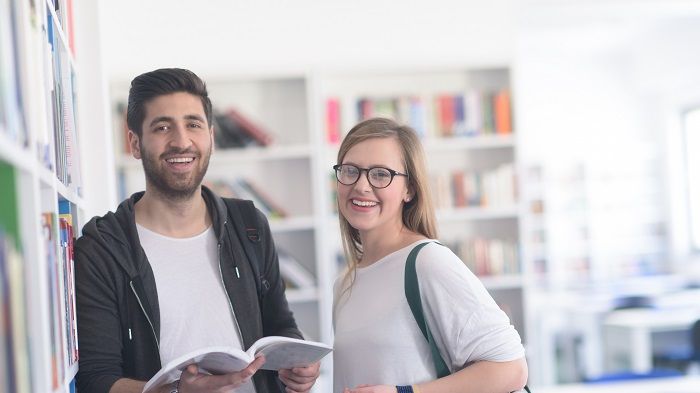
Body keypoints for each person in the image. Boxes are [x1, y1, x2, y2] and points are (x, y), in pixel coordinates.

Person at [74, 68, 320, 393]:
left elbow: (280, 323)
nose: (181, 141)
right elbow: (98, 379)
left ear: (211, 138)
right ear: (135, 143)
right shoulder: (102, 248)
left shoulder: (248, 224)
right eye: (162, 127)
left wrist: (298, 364)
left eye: (193, 124)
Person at [332, 118, 528, 393]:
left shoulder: (428, 262)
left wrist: (405, 392)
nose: (361, 186)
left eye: (380, 174)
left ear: (409, 189)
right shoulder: (345, 283)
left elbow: (511, 369)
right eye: (350, 170)